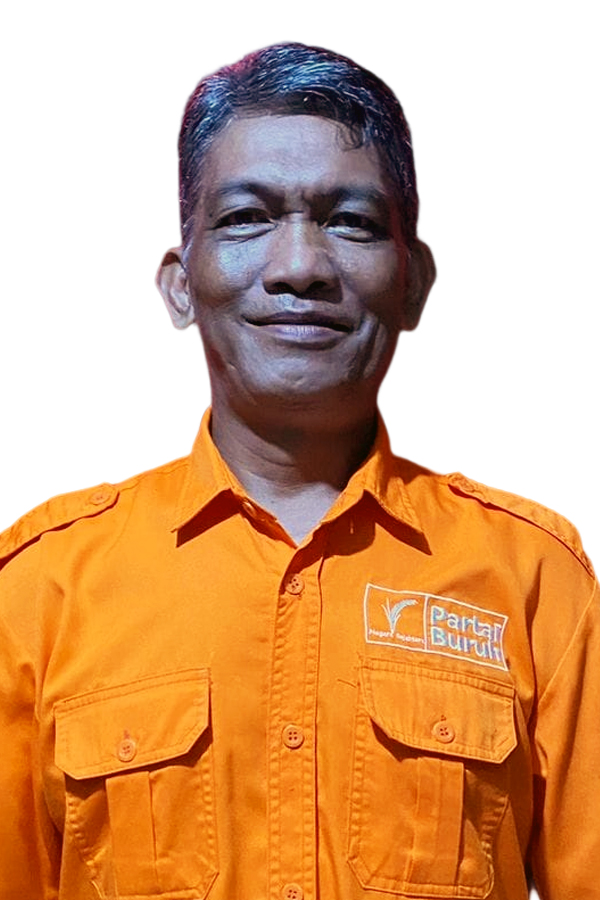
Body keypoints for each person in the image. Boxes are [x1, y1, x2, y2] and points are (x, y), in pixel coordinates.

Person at [0, 42, 597, 900]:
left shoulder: (534, 580)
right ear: (179, 285)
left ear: (414, 283)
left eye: (350, 222)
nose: (300, 268)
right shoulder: (41, 591)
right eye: (247, 217)